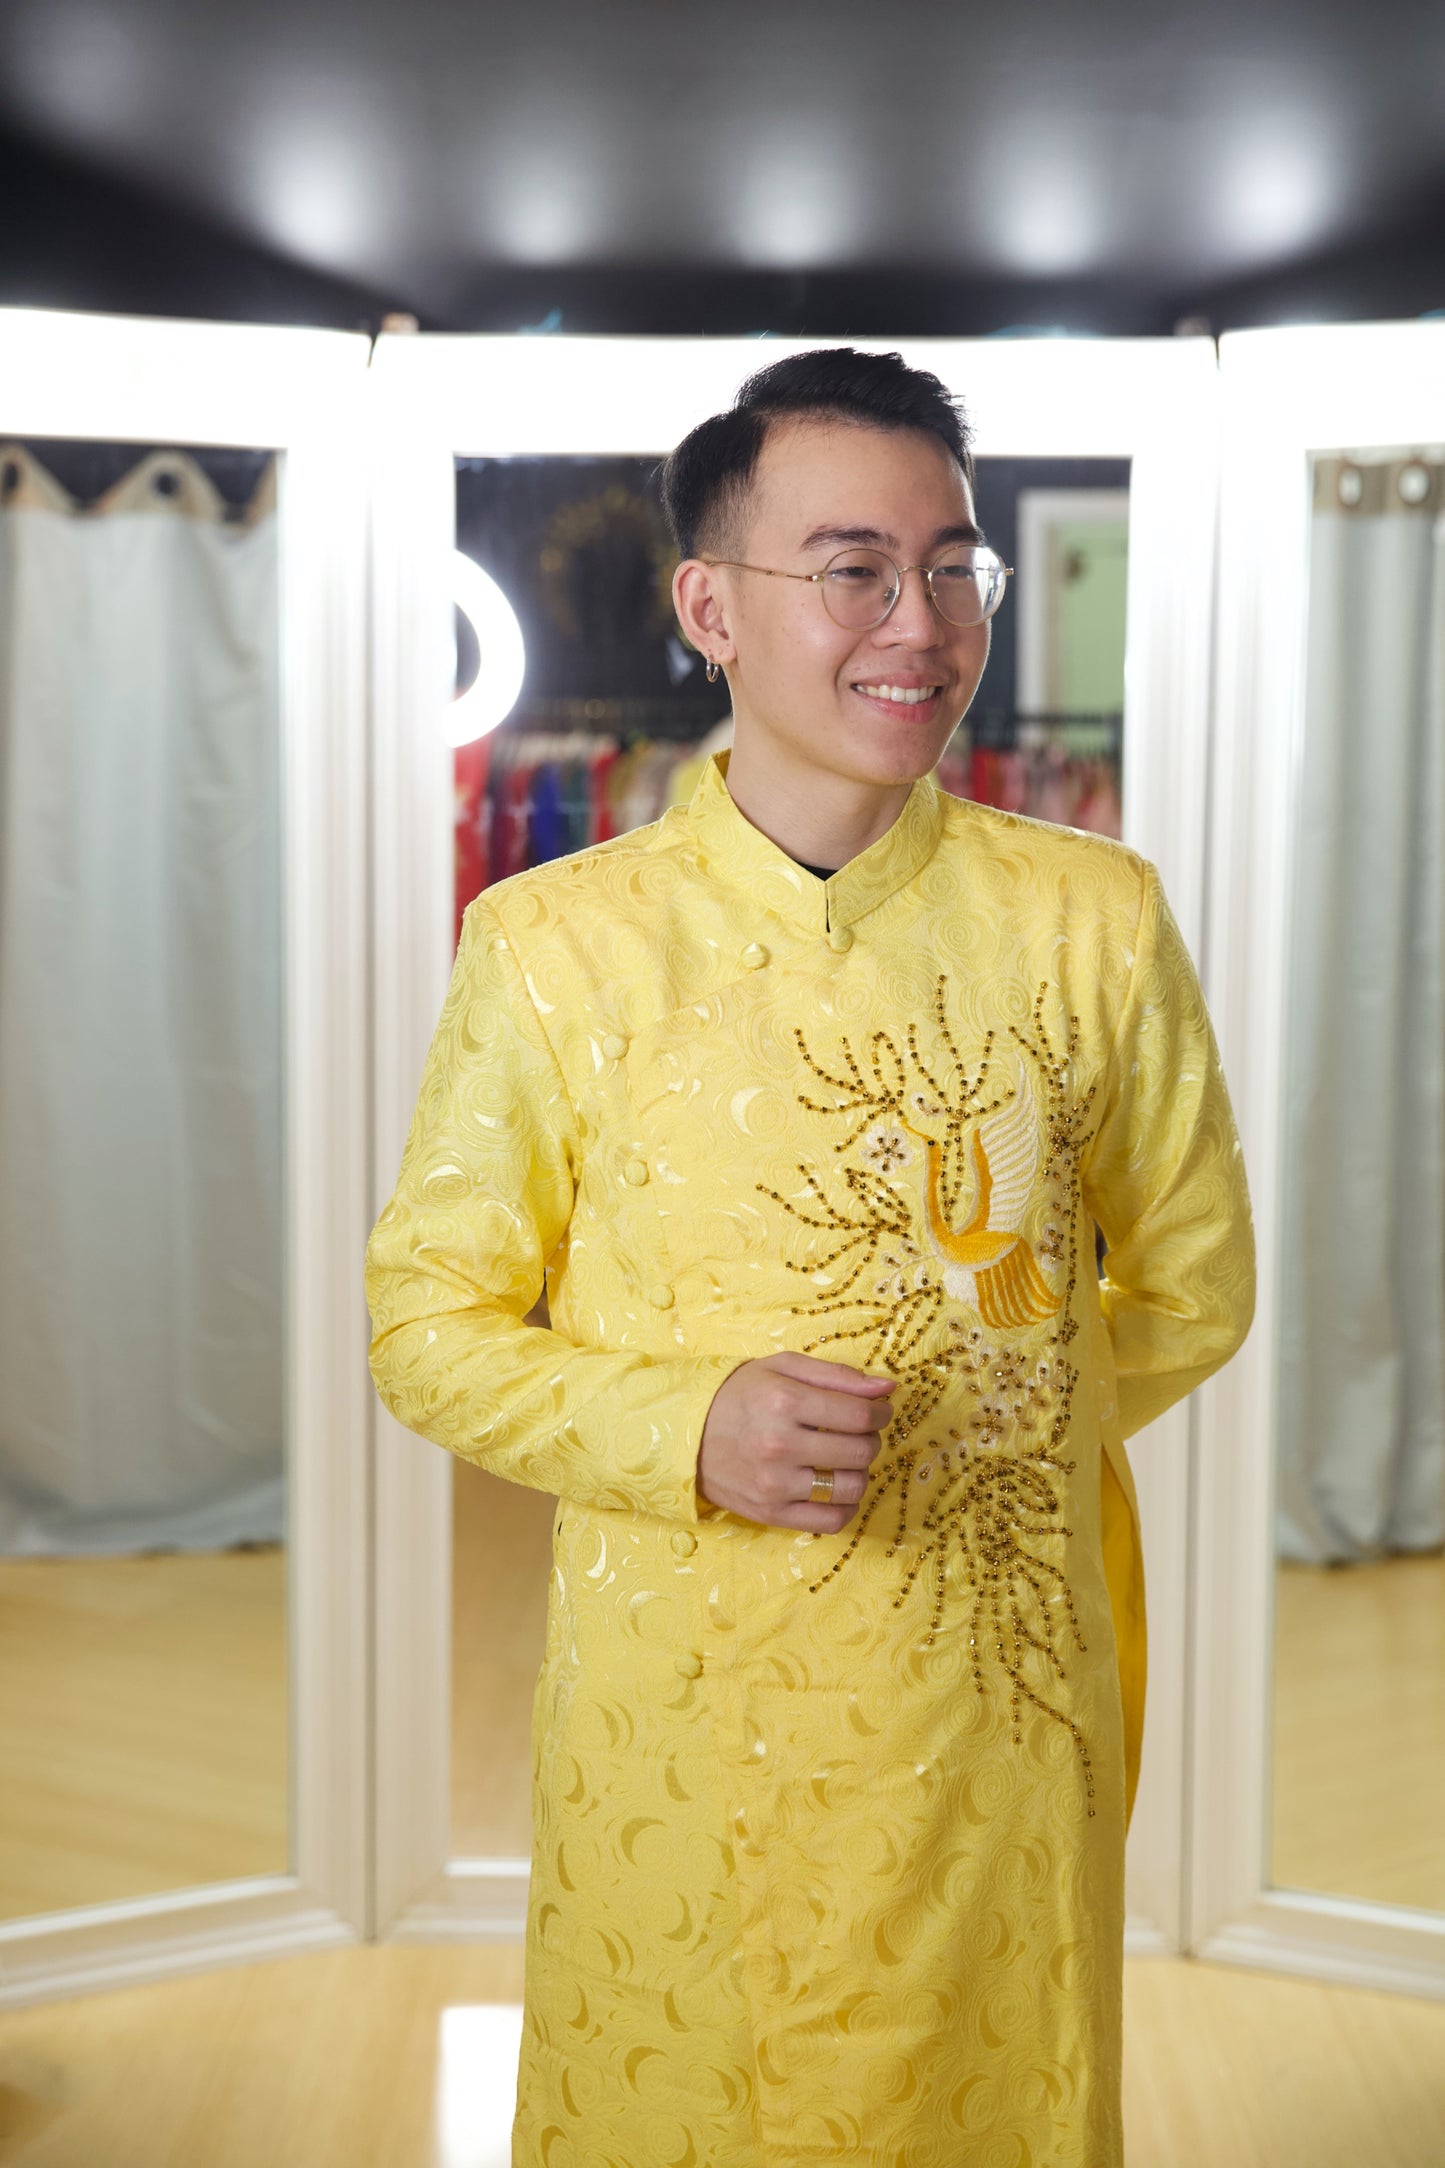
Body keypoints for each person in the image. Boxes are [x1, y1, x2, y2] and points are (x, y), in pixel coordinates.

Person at [365, 347, 1255, 2168]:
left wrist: (990, 1416)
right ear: (711, 606)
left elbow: (1192, 1283)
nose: (917, 622)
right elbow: (424, 1327)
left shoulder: (1090, 921)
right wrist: (688, 1427)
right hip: (685, 1700)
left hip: (991, 1691)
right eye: (853, 569)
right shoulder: (555, 948)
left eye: (950, 566)